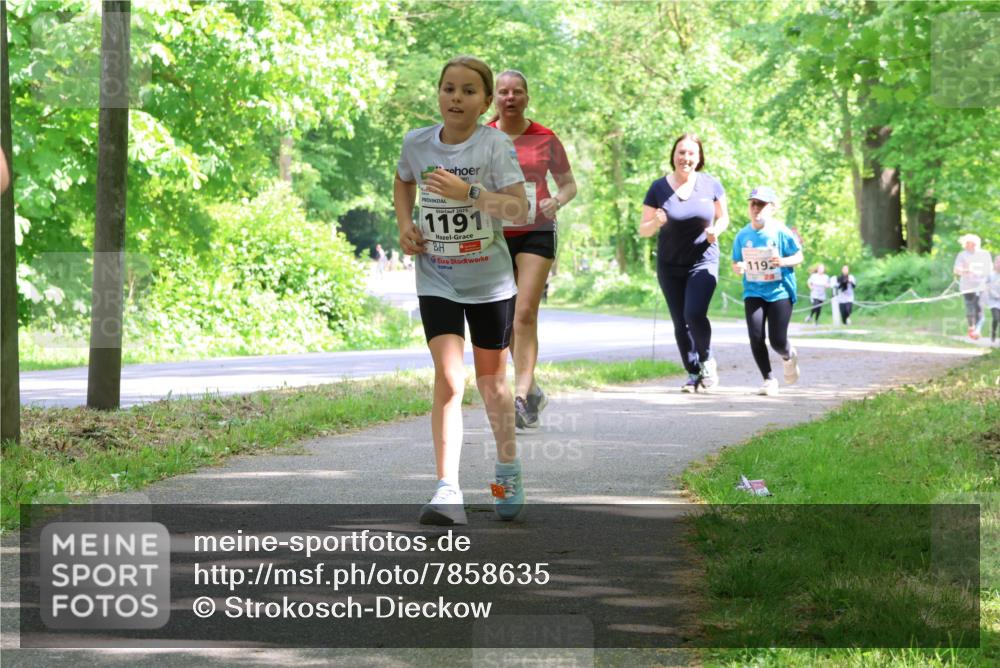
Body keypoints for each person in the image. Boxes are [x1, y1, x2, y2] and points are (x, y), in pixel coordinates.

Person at [394, 56, 529, 526]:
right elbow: (403, 180)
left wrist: (467, 194)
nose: (456, 97)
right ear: (438, 94)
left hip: (489, 281)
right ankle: (447, 489)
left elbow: (518, 208)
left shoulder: (494, 146)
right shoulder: (417, 143)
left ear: (485, 102)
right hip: (437, 277)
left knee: (492, 385)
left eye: (469, 91)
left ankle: (505, 471)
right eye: (448, 88)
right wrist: (405, 225)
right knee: (450, 380)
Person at [487, 70, 577, 428]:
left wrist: (557, 200)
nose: (510, 98)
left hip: (537, 230)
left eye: (517, 92)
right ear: (494, 98)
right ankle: (533, 386)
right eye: (503, 92)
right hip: (495, 233)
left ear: (526, 98)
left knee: (525, 311)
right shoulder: (484, 137)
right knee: (505, 319)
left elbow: (569, 185)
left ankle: (521, 398)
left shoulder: (545, 138)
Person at [639, 133, 730, 392]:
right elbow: (644, 229)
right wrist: (655, 221)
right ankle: (692, 373)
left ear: (699, 157)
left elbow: (723, 218)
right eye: (681, 152)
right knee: (680, 322)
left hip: (703, 260)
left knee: (694, 313)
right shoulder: (658, 188)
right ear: (673, 155)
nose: (686, 158)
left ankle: (707, 360)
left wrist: (717, 231)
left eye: (691, 153)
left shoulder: (711, 184)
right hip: (670, 265)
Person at [731, 187, 803, 396]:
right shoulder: (743, 235)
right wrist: (739, 267)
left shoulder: (781, 231)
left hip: (779, 291)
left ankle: (788, 354)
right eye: (753, 203)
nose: (756, 208)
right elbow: (737, 261)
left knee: (777, 340)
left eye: (761, 204)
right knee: (755, 336)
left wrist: (783, 261)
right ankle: (768, 380)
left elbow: (798, 257)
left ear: (772, 207)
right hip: (753, 291)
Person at [953, 233, 992, 340]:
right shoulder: (962, 255)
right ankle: (971, 327)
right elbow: (956, 270)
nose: (968, 246)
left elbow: (989, 270)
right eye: (966, 244)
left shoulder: (985, 254)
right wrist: (966, 270)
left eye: (970, 244)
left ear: (976, 244)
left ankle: (977, 330)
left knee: (979, 307)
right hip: (966, 287)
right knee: (969, 308)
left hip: (981, 286)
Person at [988, 256, 1000, 345]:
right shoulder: (990, 275)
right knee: (996, 318)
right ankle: (993, 332)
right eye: (998, 262)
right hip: (993, 302)